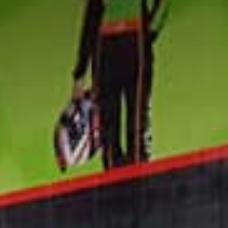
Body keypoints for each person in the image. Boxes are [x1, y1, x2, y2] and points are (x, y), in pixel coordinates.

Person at [70, 0, 164, 170]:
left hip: (135, 42)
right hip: (105, 47)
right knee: (109, 134)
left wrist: (150, 30)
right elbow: (92, 14)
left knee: (137, 129)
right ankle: (115, 191)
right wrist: (80, 71)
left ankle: (141, 187)